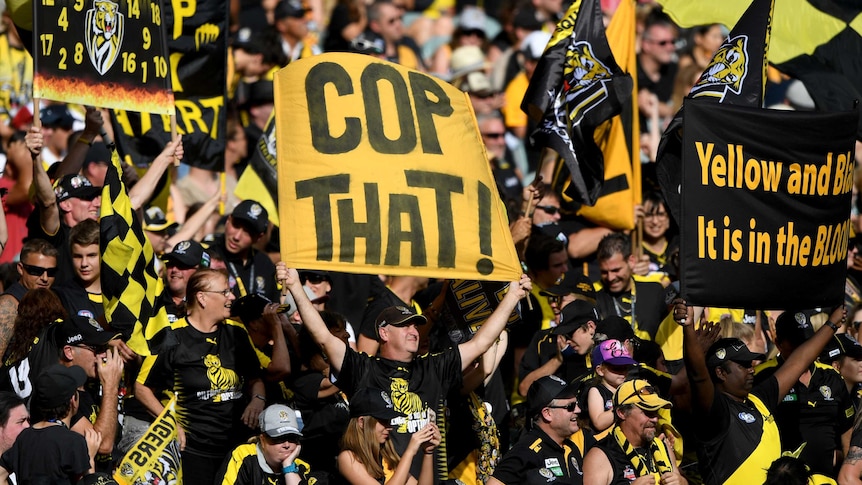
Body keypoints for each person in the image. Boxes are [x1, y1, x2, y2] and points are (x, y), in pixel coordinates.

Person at [279, 262, 530, 481]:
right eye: (404, 325)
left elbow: (480, 343)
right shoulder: (364, 369)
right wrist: (294, 286)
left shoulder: (433, 367)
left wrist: (512, 296)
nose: (413, 330)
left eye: (415, 324)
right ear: (384, 333)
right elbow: (323, 336)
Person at [676, 300, 846, 485]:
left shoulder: (759, 399)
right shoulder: (715, 411)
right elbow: (698, 376)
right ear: (720, 372)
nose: (751, 370)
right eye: (743, 365)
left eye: (750, 364)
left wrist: (832, 324)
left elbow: (799, 361)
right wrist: (688, 328)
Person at [136, 268, 267, 485]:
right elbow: (142, 388)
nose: (232, 297)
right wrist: (170, 425)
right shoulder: (172, 336)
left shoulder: (237, 333)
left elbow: (256, 379)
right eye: (225, 292)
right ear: (202, 298)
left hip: (235, 446)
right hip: (193, 450)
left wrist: (257, 400)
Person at [754, 310, 855, 476]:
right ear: (778, 343)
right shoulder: (762, 376)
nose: (803, 348)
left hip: (826, 479)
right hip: (781, 479)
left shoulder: (832, 376)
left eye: (807, 341)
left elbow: (847, 429)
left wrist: (848, 473)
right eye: (795, 342)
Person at [0, 364, 100, 483]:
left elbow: (1, 475)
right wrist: (90, 458)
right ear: (73, 400)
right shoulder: (73, 442)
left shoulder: (24, 438)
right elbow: (86, 481)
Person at [487, 375, 590, 485]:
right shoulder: (526, 451)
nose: (578, 410)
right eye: (570, 406)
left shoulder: (571, 447)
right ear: (547, 413)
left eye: (577, 404)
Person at [583, 379, 686, 484]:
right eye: (647, 412)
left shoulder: (663, 447)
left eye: (656, 412)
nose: (655, 419)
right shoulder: (600, 457)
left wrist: (682, 482)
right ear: (622, 413)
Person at [338, 387, 440, 485]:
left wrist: (428, 452)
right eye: (383, 421)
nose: (389, 427)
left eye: (389, 421)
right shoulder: (348, 458)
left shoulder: (386, 456)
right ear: (361, 422)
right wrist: (410, 452)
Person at [217, 404, 311, 485]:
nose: (286, 445)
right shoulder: (243, 457)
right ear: (262, 440)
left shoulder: (302, 467)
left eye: (292, 438)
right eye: (278, 438)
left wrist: (288, 468)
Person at [211, 200, 280, 301]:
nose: (237, 237)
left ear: (258, 237)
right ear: (228, 220)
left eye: (247, 232)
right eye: (236, 225)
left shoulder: (264, 264)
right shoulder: (210, 256)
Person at [0, 238, 59, 358]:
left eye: (51, 272)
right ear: (20, 269)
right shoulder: (8, 304)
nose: (45, 278)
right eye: (36, 271)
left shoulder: (50, 299)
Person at [584, 340, 639, 439]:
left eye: (625, 367)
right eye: (617, 368)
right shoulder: (596, 391)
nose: (623, 372)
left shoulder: (626, 388)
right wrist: (623, 404)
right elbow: (598, 422)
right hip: (604, 444)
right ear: (600, 370)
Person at [54, 219, 103, 320]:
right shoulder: (61, 297)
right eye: (78, 256)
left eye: (91, 255)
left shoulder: (118, 293)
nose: (84, 264)